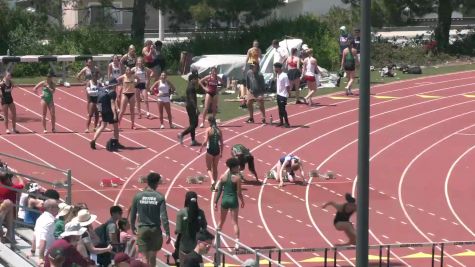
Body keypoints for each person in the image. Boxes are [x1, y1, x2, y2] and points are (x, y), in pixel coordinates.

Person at [130, 172, 171, 267]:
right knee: (153, 257)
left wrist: (132, 227)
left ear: (147, 182)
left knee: (144, 257)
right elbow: (164, 216)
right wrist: (168, 232)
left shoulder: (138, 196)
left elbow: (133, 214)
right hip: (155, 230)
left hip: (142, 229)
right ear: (157, 183)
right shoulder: (160, 197)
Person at [215, 158, 245, 250]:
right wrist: (243, 201)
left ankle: (216, 239)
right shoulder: (237, 178)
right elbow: (239, 193)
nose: (238, 168)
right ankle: (237, 242)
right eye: (237, 167)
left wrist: (215, 202)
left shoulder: (223, 177)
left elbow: (219, 190)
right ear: (233, 167)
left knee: (221, 222)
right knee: (235, 222)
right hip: (233, 200)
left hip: (224, 201)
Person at [175, 191, 208, 266]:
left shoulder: (181, 213)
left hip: (184, 246)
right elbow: (204, 227)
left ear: (186, 200)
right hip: (197, 247)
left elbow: (178, 230)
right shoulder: (200, 213)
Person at [90, 82, 124, 151]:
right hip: (110, 111)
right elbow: (112, 104)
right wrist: (114, 113)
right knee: (116, 126)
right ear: (114, 85)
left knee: (103, 126)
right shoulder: (113, 92)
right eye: (116, 84)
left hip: (103, 110)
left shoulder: (102, 90)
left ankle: (94, 140)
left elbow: (98, 102)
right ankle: (116, 142)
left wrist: (100, 113)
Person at [0, 165, 24, 242]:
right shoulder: (11, 188)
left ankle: (8, 237)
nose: (11, 180)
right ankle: (9, 236)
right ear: (7, 180)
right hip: (10, 209)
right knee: (11, 223)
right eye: (10, 178)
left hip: (3, 208)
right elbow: (22, 185)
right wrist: (18, 175)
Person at [199, 115, 223, 191]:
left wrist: (200, 148)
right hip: (217, 151)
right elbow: (222, 143)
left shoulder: (208, 129)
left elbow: (206, 141)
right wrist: (221, 152)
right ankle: (214, 185)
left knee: (208, 168)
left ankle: (212, 180)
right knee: (215, 168)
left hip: (210, 151)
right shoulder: (219, 130)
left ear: (209, 121)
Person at [76, 59, 101, 133]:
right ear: (86, 62)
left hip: (95, 89)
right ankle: (89, 112)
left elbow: (100, 74)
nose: (90, 63)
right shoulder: (85, 69)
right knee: (89, 101)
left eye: (91, 62)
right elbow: (78, 76)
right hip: (89, 86)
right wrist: (83, 82)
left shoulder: (95, 68)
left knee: (97, 113)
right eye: (89, 62)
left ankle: (95, 126)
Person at [177, 70, 201, 146]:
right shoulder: (191, 87)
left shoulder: (191, 85)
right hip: (191, 107)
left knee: (192, 124)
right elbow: (191, 99)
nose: (197, 80)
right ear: (192, 79)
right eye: (196, 79)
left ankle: (193, 140)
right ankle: (182, 134)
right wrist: (196, 108)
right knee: (194, 124)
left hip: (190, 106)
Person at [34, 199, 59, 266]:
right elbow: (43, 240)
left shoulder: (40, 217)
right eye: (57, 207)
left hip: (39, 251)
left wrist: (32, 251)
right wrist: (41, 258)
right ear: (51, 208)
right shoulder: (50, 222)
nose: (58, 209)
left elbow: (35, 235)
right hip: (46, 254)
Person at [273, 62, 290, 128]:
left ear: (278, 68)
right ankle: (281, 121)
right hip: (279, 94)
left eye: (275, 67)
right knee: (279, 109)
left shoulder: (284, 75)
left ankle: (287, 123)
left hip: (283, 95)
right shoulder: (277, 74)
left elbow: (287, 86)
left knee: (283, 109)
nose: (274, 69)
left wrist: (289, 93)